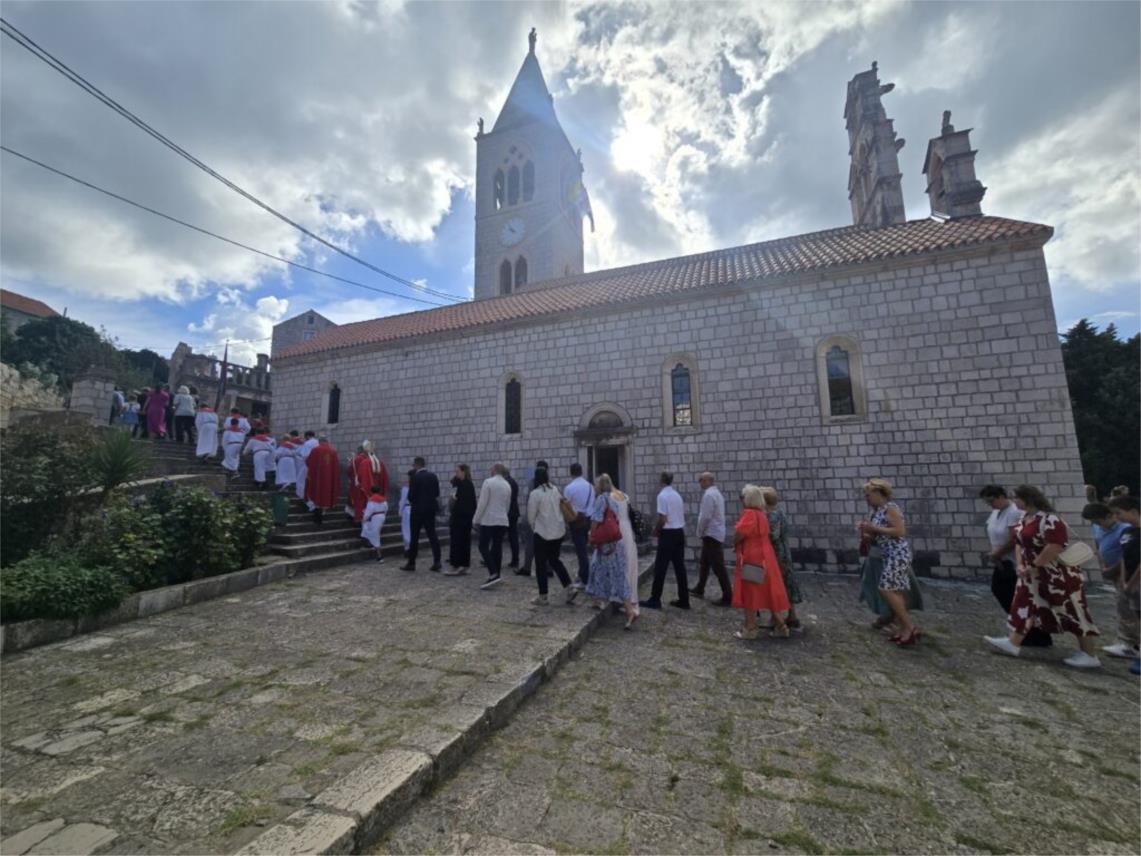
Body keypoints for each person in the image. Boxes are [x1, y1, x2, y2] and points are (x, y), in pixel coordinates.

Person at [984, 485, 1101, 668]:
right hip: (1031, 574)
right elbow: (1018, 542)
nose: (1015, 502)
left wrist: (1034, 565)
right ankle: (1013, 643)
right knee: (1024, 606)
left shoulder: (1050, 518)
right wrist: (1021, 564)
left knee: (1071, 609)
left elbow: (1056, 545)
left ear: (1028, 499)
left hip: (1055, 575)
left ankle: (1089, 654)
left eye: (1017, 498)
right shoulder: (1026, 518)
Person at [978, 485, 1053, 646]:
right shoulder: (996, 513)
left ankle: (1034, 635)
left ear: (1000, 496)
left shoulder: (1013, 513)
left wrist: (998, 553)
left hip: (1013, 562)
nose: (990, 504)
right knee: (1006, 593)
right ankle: (1025, 634)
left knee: (1015, 597)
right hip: (1003, 561)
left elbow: (1015, 539)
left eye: (992, 501)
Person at [858, 479, 921, 646]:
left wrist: (874, 529)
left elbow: (900, 531)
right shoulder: (878, 511)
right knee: (895, 591)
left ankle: (909, 627)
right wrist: (867, 535)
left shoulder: (891, 508)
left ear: (879, 494)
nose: (867, 498)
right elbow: (880, 536)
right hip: (888, 554)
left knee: (886, 589)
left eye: (869, 495)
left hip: (897, 554)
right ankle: (903, 628)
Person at [732, 484, 791, 639]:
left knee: (750, 590)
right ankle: (781, 625)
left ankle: (750, 627)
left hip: (753, 554)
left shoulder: (749, 513)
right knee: (767, 589)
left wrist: (735, 543)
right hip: (766, 554)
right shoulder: (762, 514)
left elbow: (740, 533)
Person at [1087, 499, 1139, 660]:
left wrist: (1125, 579)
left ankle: (1132, 644)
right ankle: (1128, 643)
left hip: (1132, 577)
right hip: (1122, 577)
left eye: (1119, 513)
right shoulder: (1123, 531)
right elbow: (1118, 553)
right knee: (1125, 609)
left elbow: (1132, 558)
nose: (1117, 517)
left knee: (1133, 612)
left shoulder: (1126, 529)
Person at [585, 474, 637, 628]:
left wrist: (591, 535)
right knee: (599, 569)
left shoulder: (601, 499)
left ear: (600, 486)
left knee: (612, 573)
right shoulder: (614, 498)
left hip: (606, 544)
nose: (594, 487)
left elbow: (596, 520)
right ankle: (597, 599)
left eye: (596, 484)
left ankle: (629, 610)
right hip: (615, 543)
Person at [526, 467, 578, 605]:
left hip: (543, 533)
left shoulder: (535, 494)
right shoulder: (555, 490)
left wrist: (534, 527)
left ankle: (543, 596)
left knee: (540, 565)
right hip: (558, 531)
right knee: (555, 560)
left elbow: (530, 516)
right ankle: (569, 587)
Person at [640, 472, 690, 611]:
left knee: (660, 567)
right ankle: (684, 599)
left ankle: (655, 599)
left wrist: (656, 531)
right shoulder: (676, 495)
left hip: (668, 534)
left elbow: (662, 518)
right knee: (680, 567)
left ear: (661, 479)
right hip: (679, 532)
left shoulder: (662, 495)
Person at [1107, 495, 1140, 675]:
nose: (1117, 517)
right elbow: (1124, 557)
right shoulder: (1129, 532)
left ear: (1134, 511)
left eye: (1119, 513)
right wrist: (1122, 578)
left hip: (1137, 581)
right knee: (1135, 617)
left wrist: (1132, 582)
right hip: (1128, 580)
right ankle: (1135, 649)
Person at [762, 486, 802, 629]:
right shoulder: (780, 512)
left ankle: (775, 617)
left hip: (776, 554)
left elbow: (773, 535)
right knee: (786, 582)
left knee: (777, 583)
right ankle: (792, 615)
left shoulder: (772, 516)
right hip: (784, 552)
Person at [690, 472, 731, 606]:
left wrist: (700, 531)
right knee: (705, 562)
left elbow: (705, 517)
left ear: (708, 481)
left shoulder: (709, 495)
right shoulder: (716, 494)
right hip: (714, 533)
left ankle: (728, 595)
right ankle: (700, 587)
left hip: (711, 534)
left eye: (701, 479)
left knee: (718, 566)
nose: (700, 482)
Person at [473, 463, 511, 590]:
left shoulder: (488, 482)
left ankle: (493, 573)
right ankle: (497, 573)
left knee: (483, 546)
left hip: (489, 520)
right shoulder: (507, 484)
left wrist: (475, 519)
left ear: (494, 470)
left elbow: (482, 503)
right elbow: (507, 505)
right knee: (497, 546)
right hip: (502, 520)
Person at [401, 457, 442, 572]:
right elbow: (437, 493)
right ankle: (437, 561)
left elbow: (411, 496)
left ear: (416, 465)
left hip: (417, 510)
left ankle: (411, 563)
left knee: (414, 536)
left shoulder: (415, 477)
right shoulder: (433, 476)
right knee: (432, 535)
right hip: (430, 509)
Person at [564, 463, 594, 589]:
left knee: (581, 551)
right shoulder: (590, 487)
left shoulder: (569, 488)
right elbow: (592, 504)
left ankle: (585, 578)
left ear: (571, 472)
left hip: (575, 521)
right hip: (588, 519)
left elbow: (566, 506)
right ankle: (583, 574)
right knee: (584, 549)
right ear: (582, 471)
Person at [445, 464, 477, 575]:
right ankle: (462, 565)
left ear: (463, 472)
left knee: (459, 542)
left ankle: (458, 565)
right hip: (463, 518)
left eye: (458, 471)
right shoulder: (464, 484)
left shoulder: (465, 485)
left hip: (461, 518)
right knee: (462, 542)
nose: (456, 473)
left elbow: (467, 503)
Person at [304, 435, 341, 526]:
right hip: (329, 478)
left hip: (318, 477)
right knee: (326, 494)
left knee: (317, 493)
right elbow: (336, 467)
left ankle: (317, 518)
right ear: (327, 441)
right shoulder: (333, 451)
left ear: (320, 442)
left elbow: (309, 462)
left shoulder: (316, 450)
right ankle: (322, 513)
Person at [349, 441, 389, 523]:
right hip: (378, 492)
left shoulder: (364, 463)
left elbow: (360, 478)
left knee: (363, 508)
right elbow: (385, 478)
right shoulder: (380, 463)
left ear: (364, 451)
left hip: (365, 492)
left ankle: (362, 523)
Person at [361, 484, 389, 562]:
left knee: (375, 534)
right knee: (376, 532)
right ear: (379, 491)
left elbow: (369, 511)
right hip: (382, 516)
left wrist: (364, 519)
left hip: (376, 517)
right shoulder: (383, 499)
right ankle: (374, 545)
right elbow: (386, 508)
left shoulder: (371, 500)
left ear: (371, 491)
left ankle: (380, 556)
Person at [504, 466, 521, 570]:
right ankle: (515, 559)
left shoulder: (507, 483)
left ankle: (515, 560)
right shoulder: (512, 481)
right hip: (513, 512)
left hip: (508, 512)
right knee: (513, 536)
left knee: (500, 535)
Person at [295, 431, 318, 501]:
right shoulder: (318, 442)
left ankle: (302, 497)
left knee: (301, 480)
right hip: (317, 466)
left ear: (307, 436)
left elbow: (305, 456)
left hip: (308, 465)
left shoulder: (308, 443)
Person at [399, 469, 414, 555]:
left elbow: (403, 500)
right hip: (415, 509)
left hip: (407, 509)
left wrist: (400, 511)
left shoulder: (406, 487)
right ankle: (413, 547)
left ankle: (408, 548)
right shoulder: (417, 485)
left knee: (406, 529)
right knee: (413, 529)